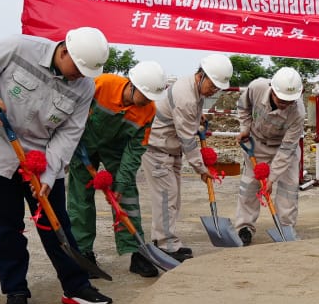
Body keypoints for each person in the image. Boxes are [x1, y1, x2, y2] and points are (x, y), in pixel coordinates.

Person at [0, 27, 114, 304]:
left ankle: (75, 286)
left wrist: (48, 175)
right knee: (5, 227)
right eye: (78, 68)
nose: (79, 76)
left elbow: (69, 134)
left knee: (57, 226)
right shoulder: (21, 48)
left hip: (42, 158)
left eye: (86, 72)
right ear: (65, 50)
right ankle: (15, 290)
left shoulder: (84, 87)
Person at [67, 61, 170, 278]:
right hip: (83, 143)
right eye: (145, 95)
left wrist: (121, 182)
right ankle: (83, 253)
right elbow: (72, 110)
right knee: (80, 198)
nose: (148, 101)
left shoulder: (148, 111)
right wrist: (72, 143)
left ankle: (138, 253)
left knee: (128, 197)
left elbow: (135, 151)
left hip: (116, 148)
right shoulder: (102, 84)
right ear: (132, 85)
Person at [141, 54, 234, 260]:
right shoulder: (186, 97)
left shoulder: (194, 90)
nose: (214, 90)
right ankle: (164, 245)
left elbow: (187, 122)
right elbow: (188, 140)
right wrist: (202, 169)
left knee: (172, 198)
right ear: (201, 74)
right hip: (158, 149)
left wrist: (197, 116)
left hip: (170, 149)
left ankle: (168, 240)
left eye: (218, 87)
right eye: (213, 85)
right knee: (166, 198)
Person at [234, 67, 306, 244]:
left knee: (289, 189)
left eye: (289, 101)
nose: (284, 104)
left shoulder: (298, 112)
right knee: (249, 186)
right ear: (272, 89)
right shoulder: (256, 87)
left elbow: (287, 149)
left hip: (283, 147)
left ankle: (285, 227)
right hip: (256, 144)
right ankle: (244, 227)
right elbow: (243, 107)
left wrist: (271, 179)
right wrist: (244, 128)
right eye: (281, 100)